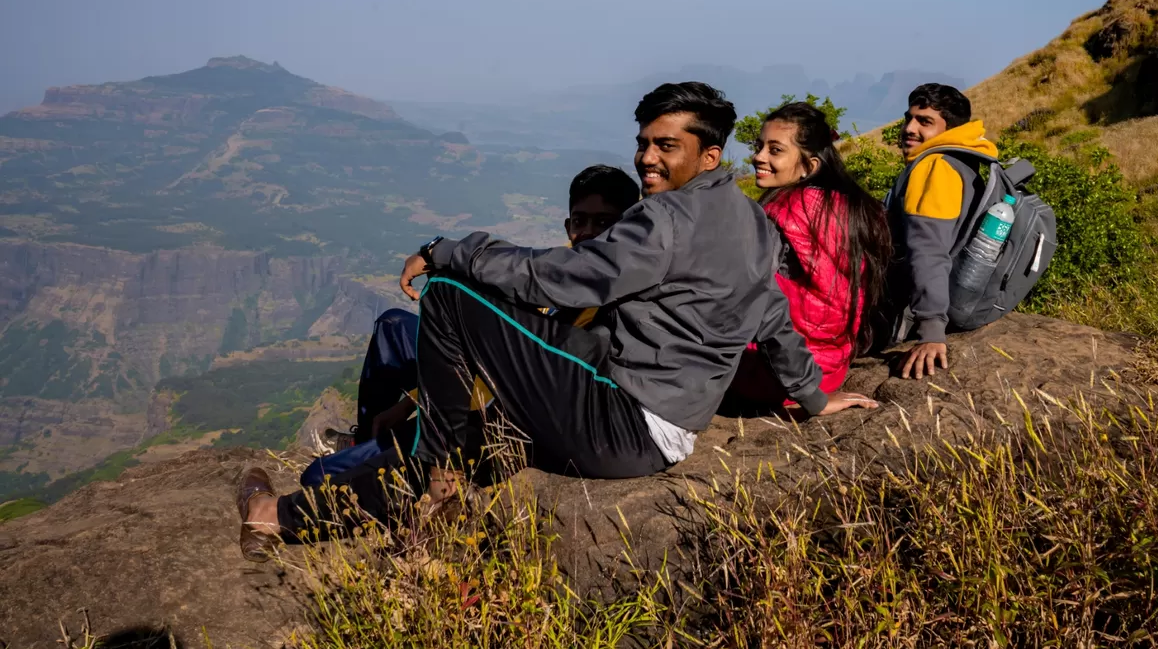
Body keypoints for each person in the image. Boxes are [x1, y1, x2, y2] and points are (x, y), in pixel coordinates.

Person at [236, 83, 876, 559]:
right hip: (664, 421)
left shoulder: (666, 219)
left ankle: (439, 479)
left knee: (453, 297)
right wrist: (814, 398)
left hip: (625, 422)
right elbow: (771, 313)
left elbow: (564, 278)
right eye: (644, 142)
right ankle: (280, 519)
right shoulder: (752, 220)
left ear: (710, 156)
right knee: (490, 428)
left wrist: (448, 251)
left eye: (666, 146)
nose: (647, 158)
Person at [296, 164, 642, 488]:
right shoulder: (561, 270)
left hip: (482, 405)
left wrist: (412, 404)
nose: (588, 233)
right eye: (581, 221)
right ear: (568, 226)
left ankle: (387, 445)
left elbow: (511, 379)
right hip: (481, 373)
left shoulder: (610, 306)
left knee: (317, 479)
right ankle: (370, 436)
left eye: (603, 223)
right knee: (393, 326)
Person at [727, 101, 891, 409]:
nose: (758, 157)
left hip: (769, 376)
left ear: (809, 166)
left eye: (775, 150)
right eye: (759, 146)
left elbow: (760, 306)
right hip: (828, 373)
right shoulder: (858, 209)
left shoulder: (780, 214)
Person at [884, 83, 998, 381]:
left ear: (949, 128)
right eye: (908, 118)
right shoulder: (963, 159)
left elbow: (929, 251)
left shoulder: (935, 167)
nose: (909, 128)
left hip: (903, 312)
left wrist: (931, 329)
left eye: (924, 122)